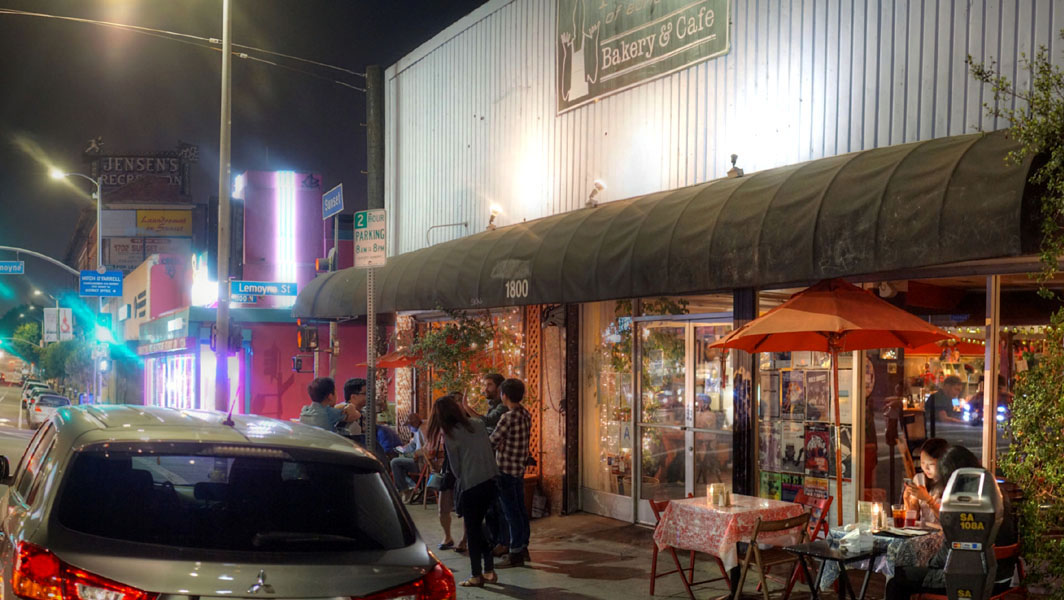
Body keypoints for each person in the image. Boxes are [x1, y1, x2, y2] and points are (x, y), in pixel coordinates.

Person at [886, 445, 1018, 600]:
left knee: (898, 580)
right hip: (1002, 574)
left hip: (970, 579)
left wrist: (928, 563)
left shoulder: (966, 500)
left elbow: (952, 548)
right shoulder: (994, 490)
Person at [428, 394, 499, 588]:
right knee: (481, 526)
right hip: (491, 481)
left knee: (474, 530)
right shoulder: (477, 424)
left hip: (471, 485)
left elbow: (455, 467)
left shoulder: (449, 434)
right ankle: (489, 571)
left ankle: (477, 575)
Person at [490, 378, 532, 567]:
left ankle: (514, 553)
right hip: (519, 469)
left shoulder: (507, 418)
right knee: (521, 510)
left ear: (503, 395)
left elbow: (493, 440)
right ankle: (523, 548)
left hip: (505, 470)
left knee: (511, 512)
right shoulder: (525, 414)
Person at [903, 437, 949, 524]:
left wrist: (928, 499)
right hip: (924, 531)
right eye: (922, 463)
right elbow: (913, 518)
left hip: (943, 533)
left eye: (931, 464)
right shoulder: (919, 479)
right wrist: (907, 499)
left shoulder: (950, 482)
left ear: (943, 463)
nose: (926, 468)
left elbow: (948, 520)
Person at [390, 413, 427, 503]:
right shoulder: (418, 430)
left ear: (413, 424)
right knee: (397, 462)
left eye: (409, 426)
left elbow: (427, 449)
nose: (409, 428)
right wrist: (402, 449)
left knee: (395, 463)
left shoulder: (424, 430)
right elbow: (413, 444)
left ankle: (404, 490)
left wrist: (415, 454)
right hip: (419, 460)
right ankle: (407, 488)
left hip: (423, 463)